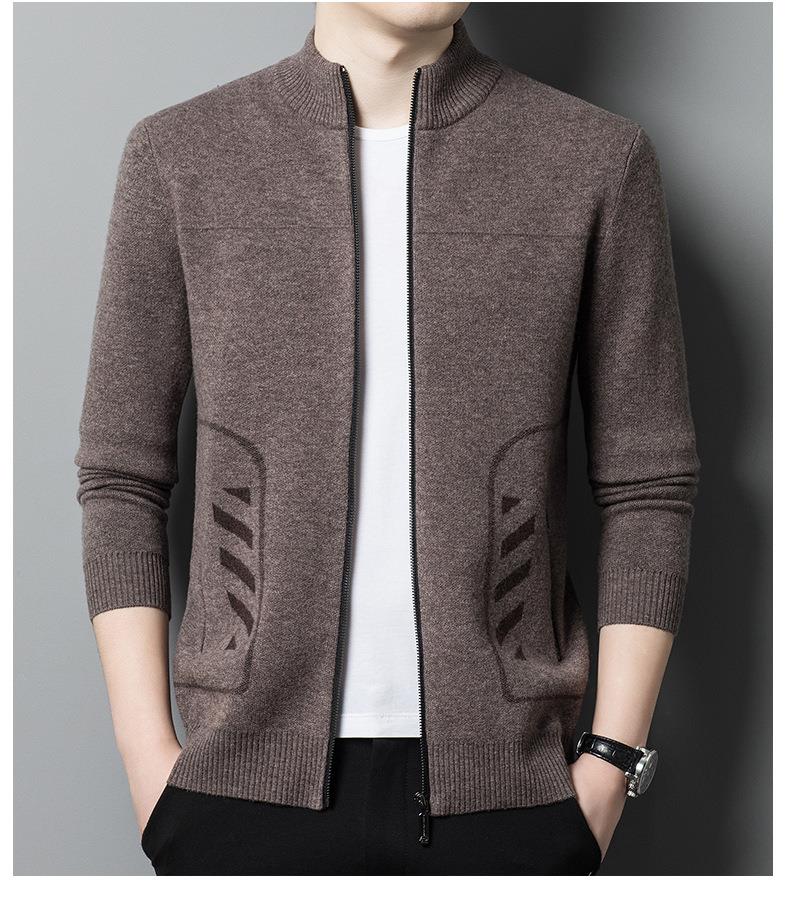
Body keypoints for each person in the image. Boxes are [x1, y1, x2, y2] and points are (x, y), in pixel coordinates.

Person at [76, 1, 699, 875]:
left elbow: (649, 484)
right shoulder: (182, 155)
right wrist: (151, 762)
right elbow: (121, 475)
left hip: (514, 798)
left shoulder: (596, 158)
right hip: (236, 794)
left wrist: (609, 766)